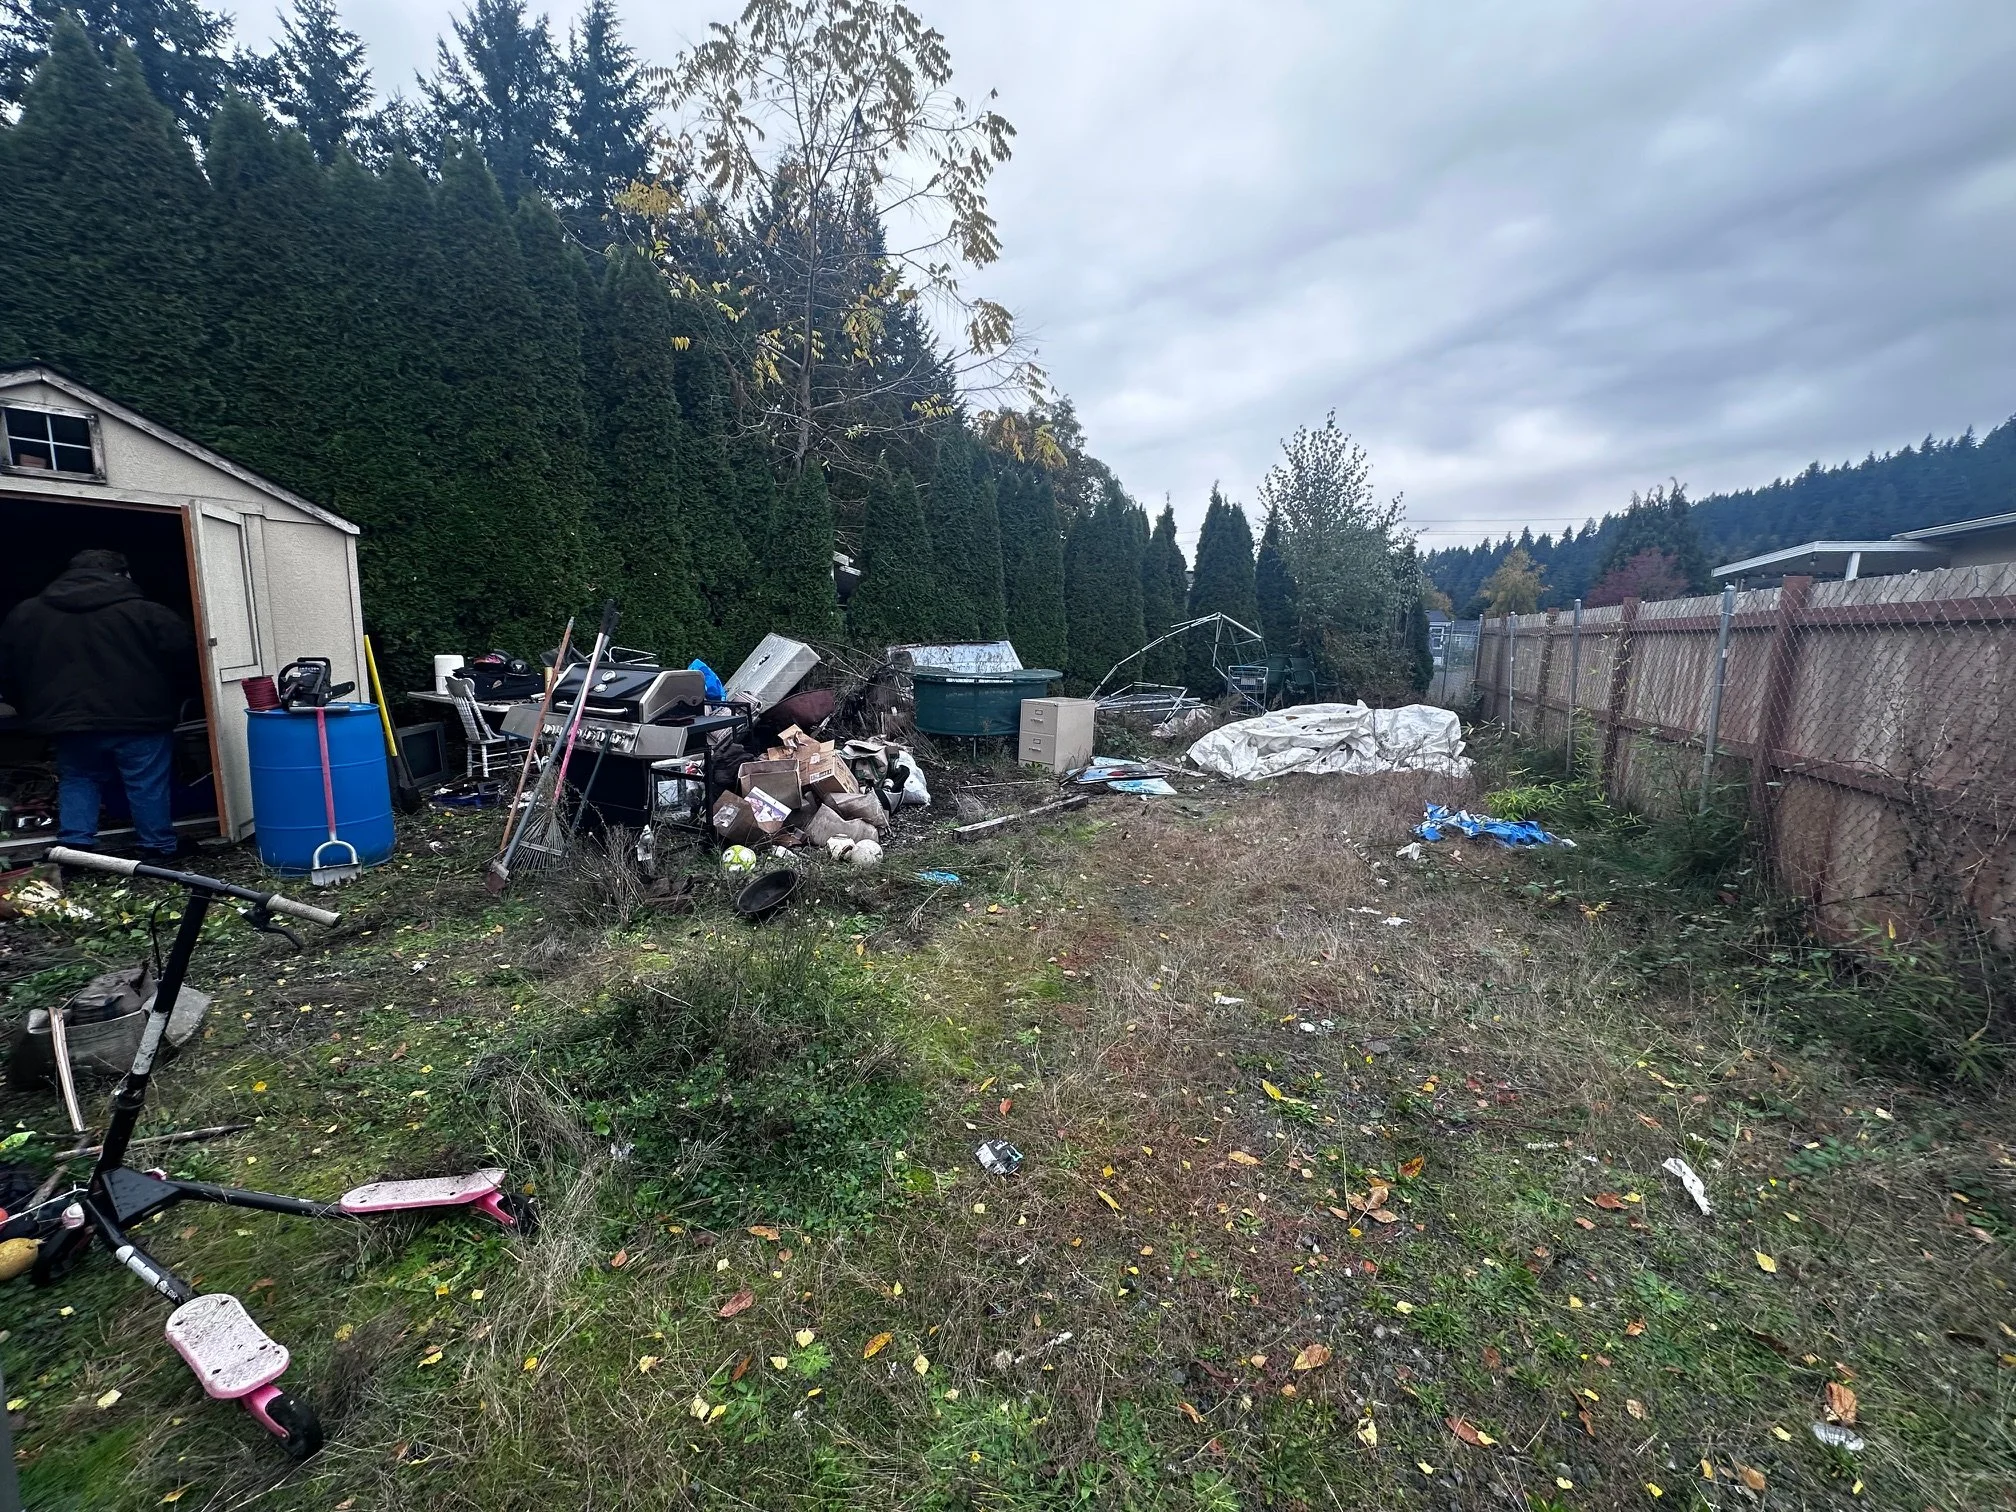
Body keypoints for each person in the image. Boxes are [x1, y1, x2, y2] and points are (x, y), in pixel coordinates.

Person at [0, 549, 196, 861]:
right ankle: (157, 847)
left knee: (79, 777)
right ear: (124, 575)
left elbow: (8, 670)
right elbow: (185, 662)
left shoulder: (27, 614)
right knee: (146, 782)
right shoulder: (150, 613)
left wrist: (26, 707)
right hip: (142, 716)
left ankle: (75, 850)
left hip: (68, 720)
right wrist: (178, 697)